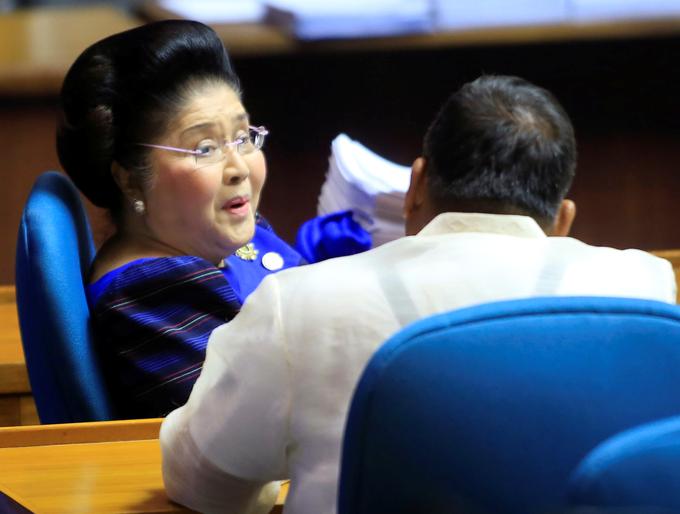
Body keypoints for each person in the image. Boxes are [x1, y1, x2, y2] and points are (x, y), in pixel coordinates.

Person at [160, 75, 676, 514]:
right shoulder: (643, 289)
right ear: (562, 220)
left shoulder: (299, 303)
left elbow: (202, 483)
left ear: (415, 187)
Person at [57, 20, 304, 418]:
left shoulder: (205, 235)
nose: (238, 167)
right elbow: (250, 427)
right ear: (132, 179)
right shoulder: (152, 293)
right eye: (204, 148)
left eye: (244, 138)